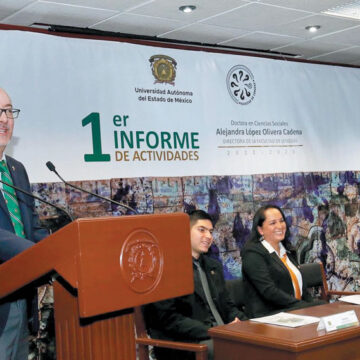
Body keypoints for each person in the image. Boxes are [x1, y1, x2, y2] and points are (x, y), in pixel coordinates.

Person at [144, 209, 247, 360]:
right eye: (202, 230)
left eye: (211, 231)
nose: (209, 236)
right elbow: (169, 320)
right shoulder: (166, 269)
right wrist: (214, 331)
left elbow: (228, 306)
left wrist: (245, 323)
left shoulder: (213, 267)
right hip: (189, 342)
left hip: (221, 334)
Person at [0, 88, 48, 359]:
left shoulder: (16, 169)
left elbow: (31, 226)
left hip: (22, 294)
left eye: (9, 110)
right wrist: (38, 255)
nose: (4, 119)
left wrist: (66, 246)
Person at [241, 204, 323, 318]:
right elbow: (269, 291)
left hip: (294, 310)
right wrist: (302, 306)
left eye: (281, 221)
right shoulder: (252, 254)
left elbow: (302, 288)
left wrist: (312, 306)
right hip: (268, 316)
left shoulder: (287, 250)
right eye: (273, 223)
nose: (280, 226)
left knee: (325, 307)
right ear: (260, 230)